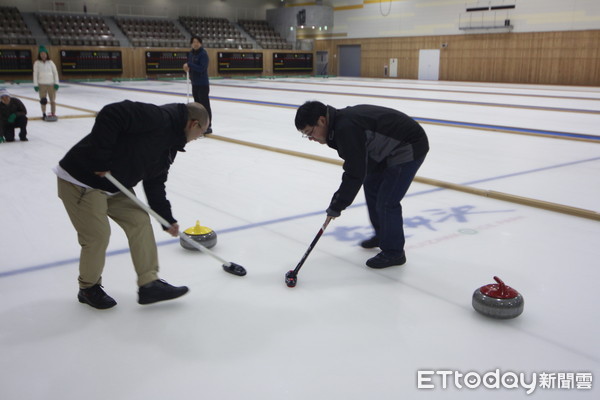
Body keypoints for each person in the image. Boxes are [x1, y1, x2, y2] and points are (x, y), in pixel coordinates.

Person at [55, 100, 210, 309]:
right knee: (97, 236)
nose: (198, 137)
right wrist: (101, 158)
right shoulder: (157, 118)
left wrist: (166, 219)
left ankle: (149, 284)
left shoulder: (171, 144)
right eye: (201, 133)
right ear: (193, 124)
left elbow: (155, 182)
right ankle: (88, 288)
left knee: (139, 221)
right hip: (83, 179)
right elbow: (111, 113)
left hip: (115, 185)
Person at [294, 101, 429, 269]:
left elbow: (354, 172)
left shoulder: (345, 128)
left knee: (387, 201)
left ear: (322, 121)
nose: (311, 139)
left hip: (408, 146)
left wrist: (337, 204)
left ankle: (394, 252)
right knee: (371, 185)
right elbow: (358, 165)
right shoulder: (337, 126)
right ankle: (382, 235)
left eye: (310, 132)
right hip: (384, 150)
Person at [183, 36, 212, 133]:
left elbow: (202, 68)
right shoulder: (191, 53)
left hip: (202, 84)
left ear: (201, 43)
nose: (195, 44)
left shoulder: (203, 54)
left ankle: (208, 126)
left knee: (204, 106)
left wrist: (190, 65)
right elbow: (191, 66)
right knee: (197, 106)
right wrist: (187, 67)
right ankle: (200, 125)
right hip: (194, 83)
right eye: (193, 42)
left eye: (197, 42)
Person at [33, 45, 59, 121]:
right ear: (39, 55)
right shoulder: (37, 63)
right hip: (42, 85)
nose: (43, 55)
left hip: (51, 84)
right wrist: (35, 85)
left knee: (53, 100)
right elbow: (35, 74)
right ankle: (44, 113)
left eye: (44, 54)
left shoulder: (51, 62)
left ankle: (53, 113)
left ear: (47, 54)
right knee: (43, 100)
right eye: (41, 54)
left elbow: (55, 73)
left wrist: (56, 83)